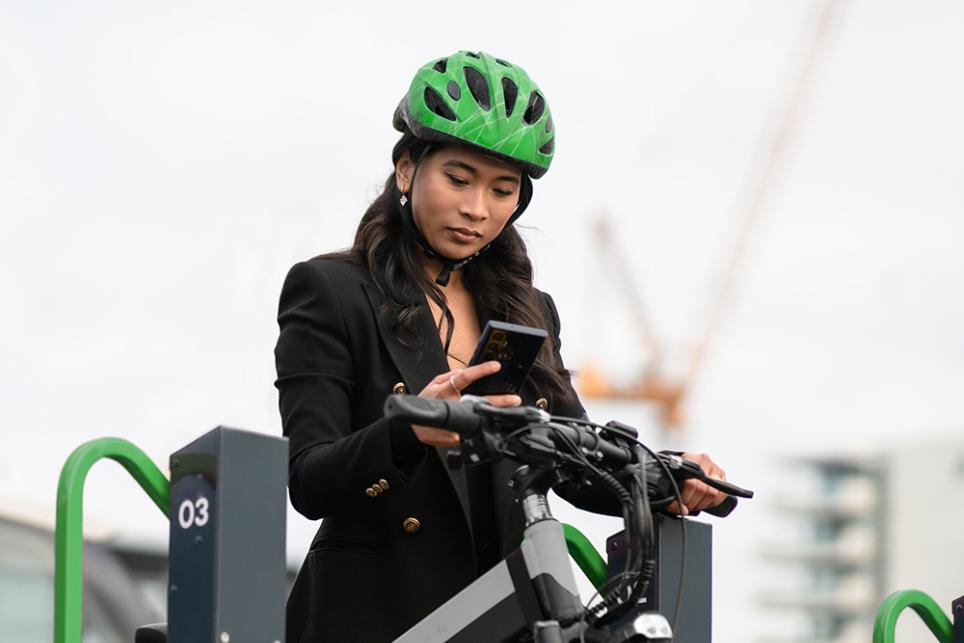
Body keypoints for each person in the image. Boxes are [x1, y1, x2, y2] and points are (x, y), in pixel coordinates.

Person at [274, 50, 728, 642]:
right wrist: (407, 431)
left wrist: (667, 479)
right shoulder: (331, 289)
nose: (476, 209)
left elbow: (573, 460)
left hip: (501, 616)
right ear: (407, 169)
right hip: (372, 616)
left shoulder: (529, 311)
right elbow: (309, 480)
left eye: (502, 190)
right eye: (458, 179)